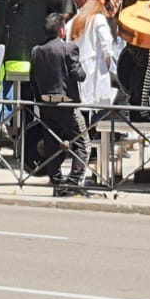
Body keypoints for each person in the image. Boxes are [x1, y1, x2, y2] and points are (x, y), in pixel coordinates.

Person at [31, 11, 87, 194]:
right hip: (66, 104)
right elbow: (80, 75)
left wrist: (38, 101)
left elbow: (33, 80)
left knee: (52, 144)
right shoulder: (68, 49)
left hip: (46, 103)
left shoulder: (37, 51)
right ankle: (73, 181)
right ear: (61, 30)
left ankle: (57, 183)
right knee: (82, 142)